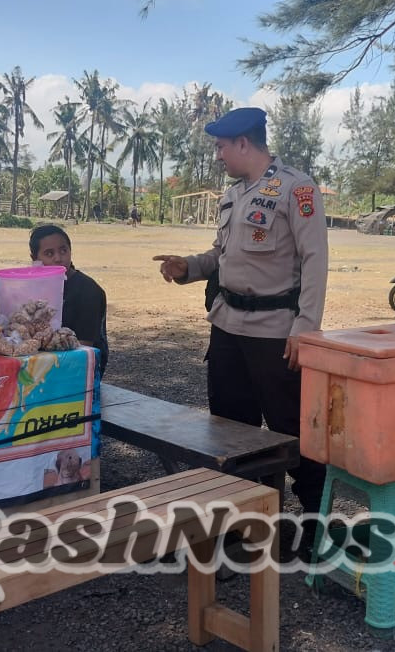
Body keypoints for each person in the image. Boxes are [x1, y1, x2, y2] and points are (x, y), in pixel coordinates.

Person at [152, 106, 329, 528]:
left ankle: (318, 523)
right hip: (227, 328)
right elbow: (221, 254)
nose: (218, 156)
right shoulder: (234, 194)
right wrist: (189, 267)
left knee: (291, 430)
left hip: (275, 333)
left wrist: (306, 328)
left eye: (221, 147)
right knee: (230, 430)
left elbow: (315, 260)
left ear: (244, 143)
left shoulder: (296, 189)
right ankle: (248, 520)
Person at [29, 224, 110, 375]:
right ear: (35, 259)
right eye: (49, 253)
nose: (58, 258)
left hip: (79, 370)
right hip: (42, 364)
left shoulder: (88, 290)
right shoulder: (33, 287)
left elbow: (83, 349)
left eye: (63, 250)